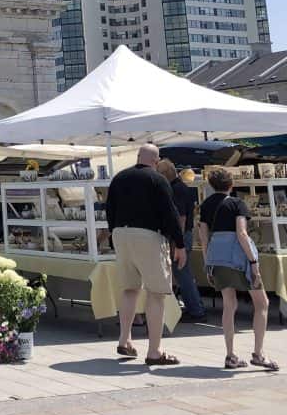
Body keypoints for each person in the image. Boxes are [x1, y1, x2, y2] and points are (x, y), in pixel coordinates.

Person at [105, 144, 186, 366]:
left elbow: (109, 208)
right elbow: (170, 213)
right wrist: (179, 244)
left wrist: (114, 232)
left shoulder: (119, 178)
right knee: (156, 293)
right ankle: (154, 351)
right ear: (156, 160)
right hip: (148, 235)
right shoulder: (158, 180)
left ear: (138, 157)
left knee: (130, 289)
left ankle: (125, 339)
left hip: (121, 233)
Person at [198, 167, 278, 371]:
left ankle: (230, 355)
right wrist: (253, 263)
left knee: (228, 304)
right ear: (231, 184)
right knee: (262, 303)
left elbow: (204, 237)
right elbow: (242, 234)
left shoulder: (206, 205)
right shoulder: (237, 203)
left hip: (218, 259)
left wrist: (208, 263)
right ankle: (258, 354)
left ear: (211, 185)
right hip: (239, 260)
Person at [158, 160, 207, 321]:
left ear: (165, 174)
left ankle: (196, 310)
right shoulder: (180, 187)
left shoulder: (176, 189)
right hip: (182, 235)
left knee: (183, 274)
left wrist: (175, 243)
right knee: (183, 273)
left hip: (180, 236)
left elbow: (181, 218)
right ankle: (194, 307)